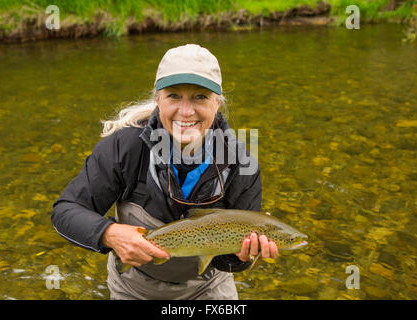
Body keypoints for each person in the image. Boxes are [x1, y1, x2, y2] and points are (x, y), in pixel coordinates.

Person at [51, 44, 278, 300]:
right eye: (173, 96)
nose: (186, 111)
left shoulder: (240, 163)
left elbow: (227, 264)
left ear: (217, 103)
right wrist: (109, 234)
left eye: (200, 97)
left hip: (207, 288)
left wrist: (241, 256)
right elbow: (65, 211)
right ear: (157, 100)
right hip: (132, 287)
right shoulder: (125, 148)